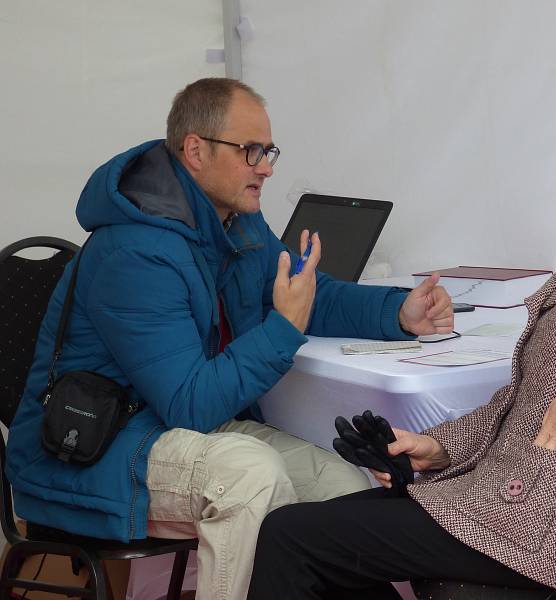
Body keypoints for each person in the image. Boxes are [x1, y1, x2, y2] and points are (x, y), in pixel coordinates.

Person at [245, 99, 556, 599]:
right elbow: (526, 402)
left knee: (291, 537)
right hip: (535, 505)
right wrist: (438, 448)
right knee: (315, 539)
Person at [5, 77, 453, 600]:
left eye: (269, 152)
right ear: (196, 150)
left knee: (346, 492)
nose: (266, 167)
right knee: (250, 477)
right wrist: (283, 329)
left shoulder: (235, 220)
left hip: (179, 425)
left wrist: (398, 310)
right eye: (251, 151)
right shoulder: (134, 252)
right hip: (98, 446)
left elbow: (301, 292)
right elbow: (190, 404)